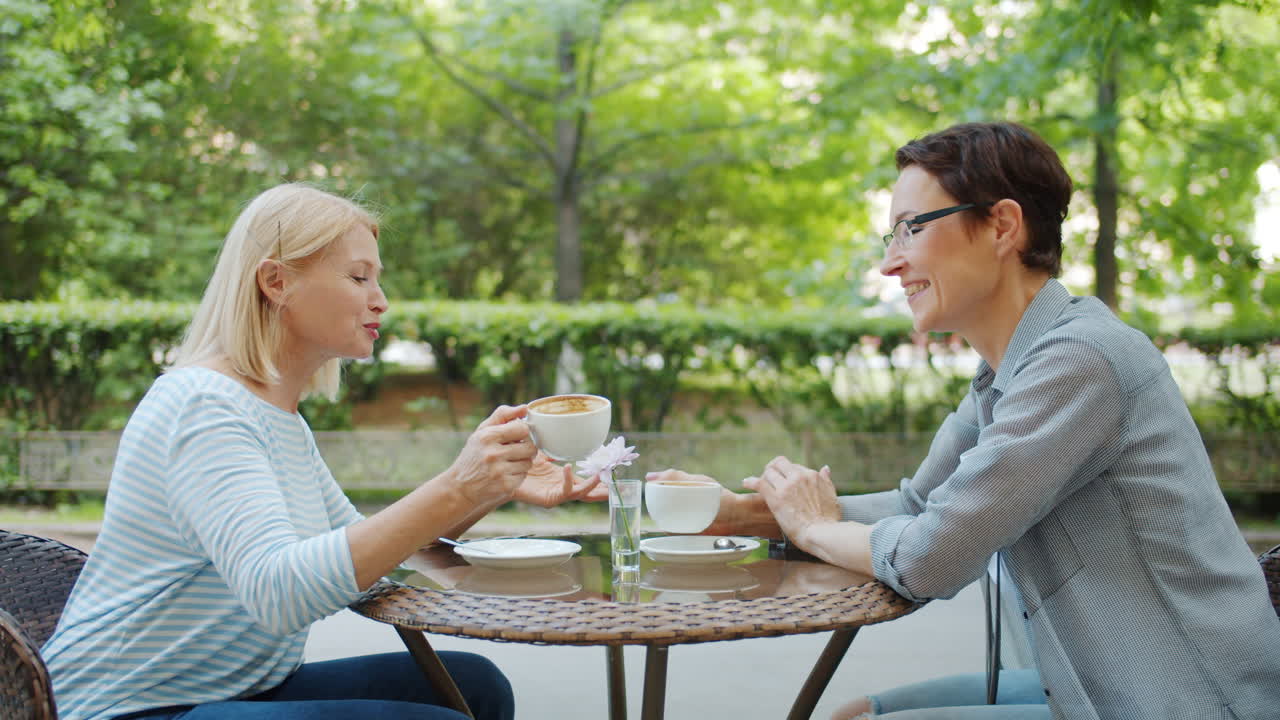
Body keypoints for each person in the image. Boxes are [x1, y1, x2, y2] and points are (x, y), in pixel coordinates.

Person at [649, 122, 1280, 720]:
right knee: (855, 712)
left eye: (910, 228)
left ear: (1002, 225)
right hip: (1090, 683)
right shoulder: (1005, 373)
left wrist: (812, 527)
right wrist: (740, 515)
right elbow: (918, 504)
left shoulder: (1081, 361)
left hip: (1190, 699)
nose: (890, 264)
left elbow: (931, 555)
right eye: (889, 237)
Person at [41, 183, 607, 720]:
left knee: (476, 686)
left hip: (236, 688)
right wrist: (456, 483)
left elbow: (372, 556)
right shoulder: (204, 406)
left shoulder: (278, 418)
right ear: (275, 282)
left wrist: (489, 486)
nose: (380, 300)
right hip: (126, 707)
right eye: (359, 277)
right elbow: (281, 593)